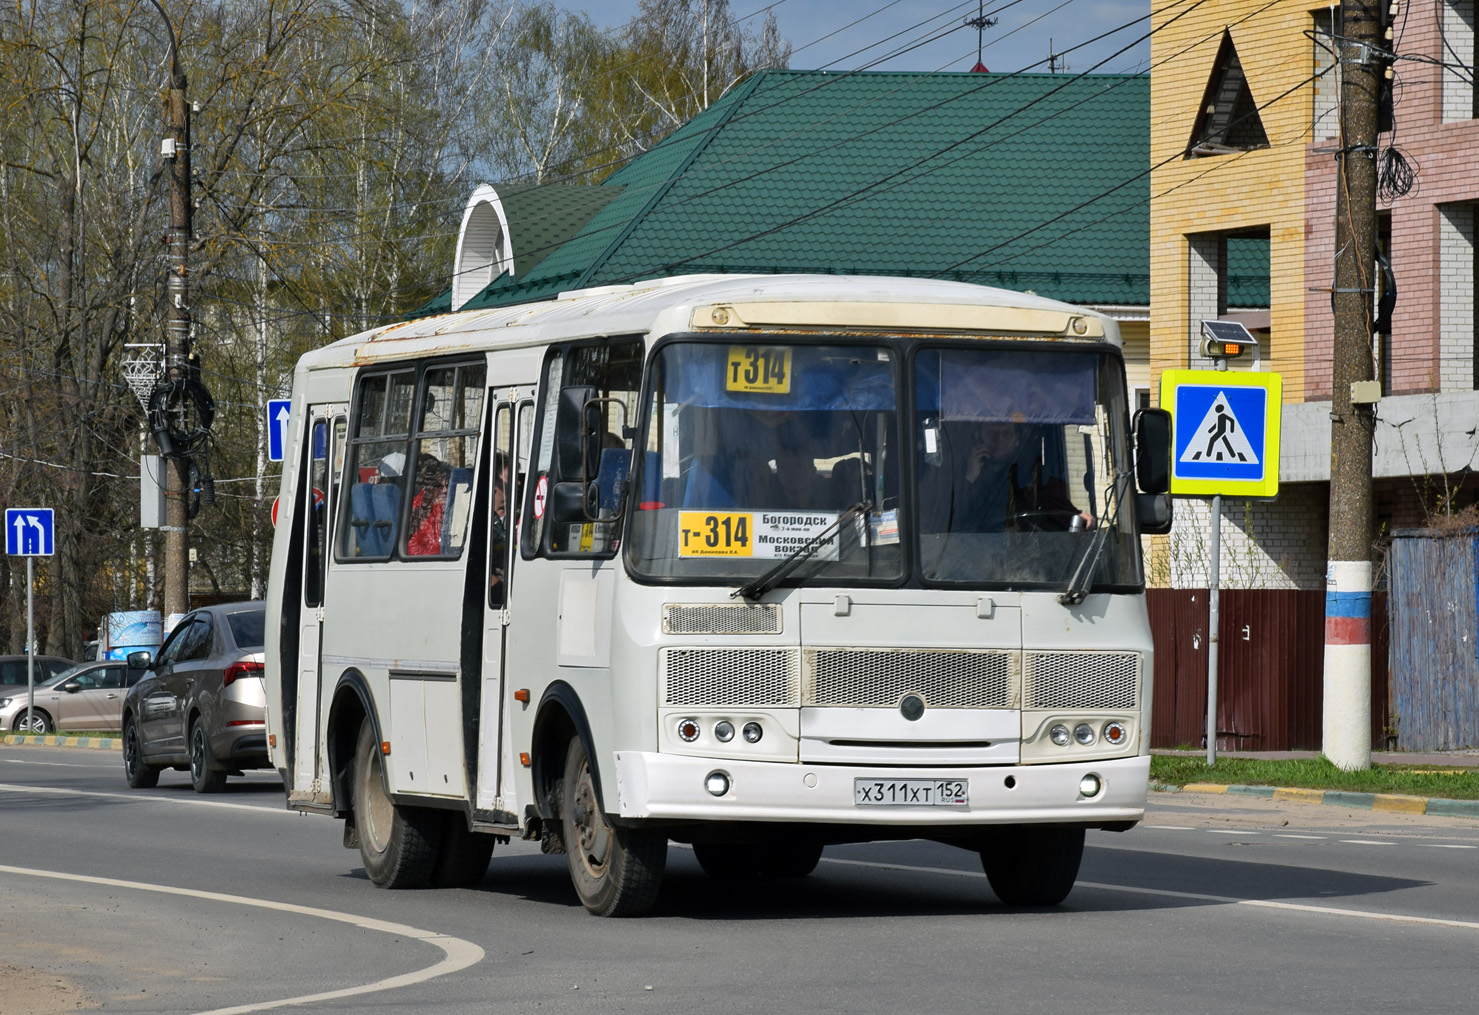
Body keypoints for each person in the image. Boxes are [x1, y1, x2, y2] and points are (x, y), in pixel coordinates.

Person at [959, 421, 1092, 532]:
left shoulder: (1033, 474)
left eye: (1006, 434)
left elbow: (1058, 507)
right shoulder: (963, 477)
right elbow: (956, 517)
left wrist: (1079, 516)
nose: (999, 440)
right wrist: (970, 477)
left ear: (1017, 439)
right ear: (978, 437)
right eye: (991, 434)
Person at [407, 452, 450, 556]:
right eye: (437, 486)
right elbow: (413, 548)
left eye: (448, 484)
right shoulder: (419, 510)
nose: (445, 490)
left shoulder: (447, 506)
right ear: (426, 487)